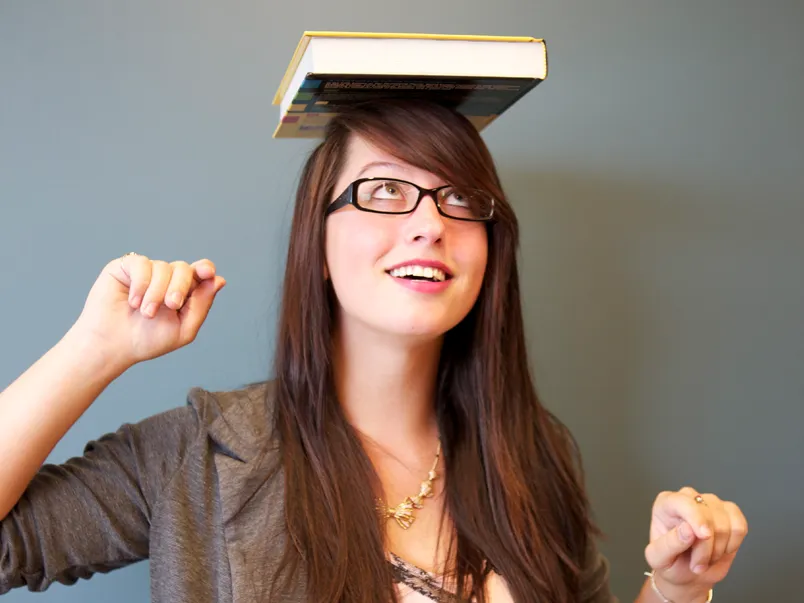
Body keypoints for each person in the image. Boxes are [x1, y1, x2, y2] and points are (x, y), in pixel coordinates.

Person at [0, 100, 747, 603]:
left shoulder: (538, 453)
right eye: (384, 191)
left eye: (459, 197)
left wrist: (677, 589)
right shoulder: (195, 454)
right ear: (316, 245)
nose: (429, 223)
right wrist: (96, 347)